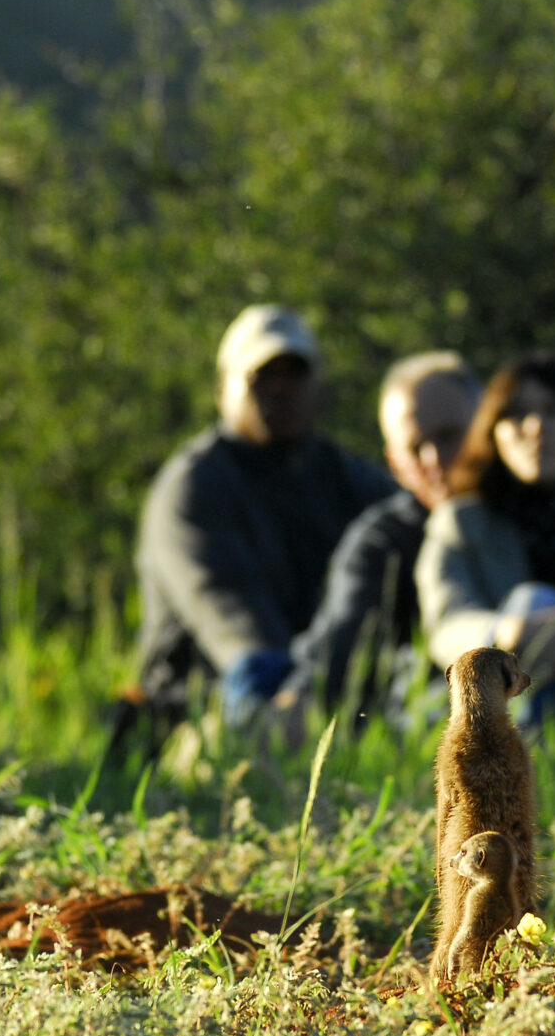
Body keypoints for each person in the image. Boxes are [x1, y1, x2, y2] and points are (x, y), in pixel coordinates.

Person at [132, 305, 394, 736]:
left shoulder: (347, 477)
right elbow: (228, 618)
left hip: (322, 698)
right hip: (207, 707)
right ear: (222, 391)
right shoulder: (194, 486)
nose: (281, 390)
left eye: (295, 375)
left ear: (318, 386)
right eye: (262, 378)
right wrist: (294, 697)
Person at [416, 353, 555, 730]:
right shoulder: (461, 520)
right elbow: (445, 623)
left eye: (554, 411)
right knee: (532, 600)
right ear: (493, 431)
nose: (536, 427)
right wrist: (513, 633)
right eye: (517, 414)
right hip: (508, 685)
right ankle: (534, 758)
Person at [274, 352, 480, 728]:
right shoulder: (380, 545)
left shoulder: (541, 514)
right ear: (394, 464)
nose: (434, 459)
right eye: (416, 447)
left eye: (450, 435)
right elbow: (340, 654)